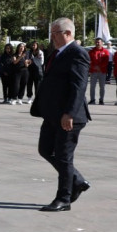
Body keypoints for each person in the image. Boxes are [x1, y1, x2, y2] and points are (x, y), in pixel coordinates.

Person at [30, 18, 91, 212]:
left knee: (64, 157)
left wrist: (69, 113)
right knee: (45, 149)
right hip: (52, 115)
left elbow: (79, 86)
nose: (52, 37)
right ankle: (77, 180)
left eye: (55, 33)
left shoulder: (77, 53)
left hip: (68, 116)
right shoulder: (56, 53)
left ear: (68, 33)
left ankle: (64, 198)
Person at [87, 38, 110, 105]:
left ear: (102, 43)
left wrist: (100, 67)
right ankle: (92, 99)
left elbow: (106, 61)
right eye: (96, 42)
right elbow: (89, 61)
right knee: (92, 86)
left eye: (99, 42)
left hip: (102, 71)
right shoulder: (91, 52)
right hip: (93, 71)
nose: (97, 43)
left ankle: (101, 100)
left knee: (102, 86)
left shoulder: (105, 51)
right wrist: (94, 67)